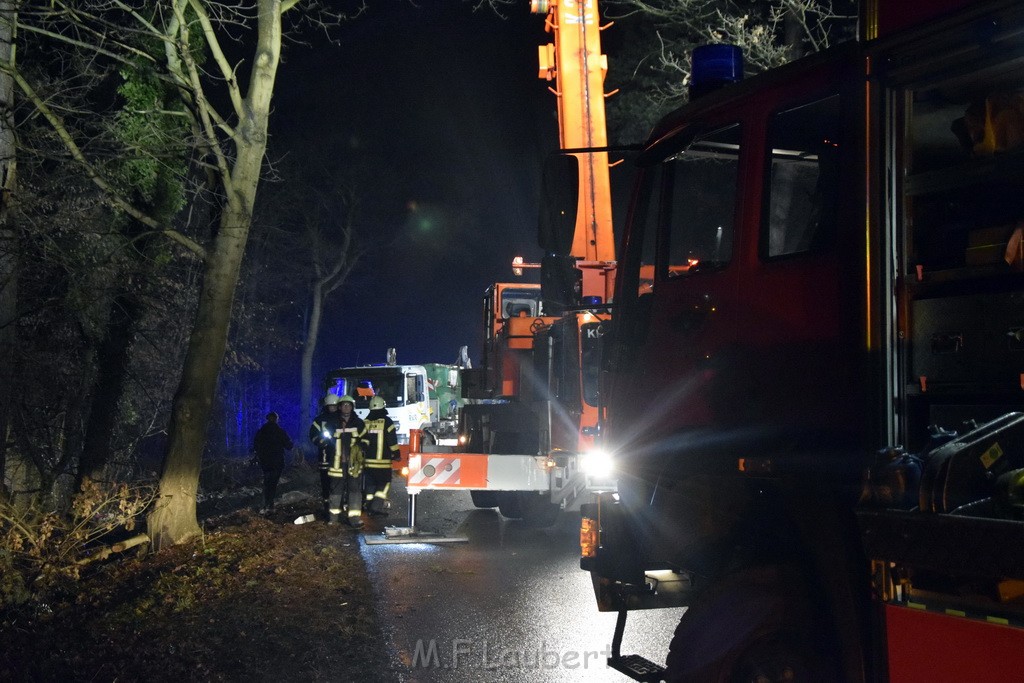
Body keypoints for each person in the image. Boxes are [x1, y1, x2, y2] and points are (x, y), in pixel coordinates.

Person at [328, 395, 367, 527]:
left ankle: (354, 519)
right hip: (336, 464)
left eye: (348, 405)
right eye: (344, 405)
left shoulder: (359, 423)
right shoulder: (332, 423)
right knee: (336, 491)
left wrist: (360, 448)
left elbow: (366, 440)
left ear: (352, 407)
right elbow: (326, 441)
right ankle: (334, 518)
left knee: (355, 490)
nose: (346, 407)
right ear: (339, 407)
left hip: (353, 464)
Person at [361, 395, 401, 516]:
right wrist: (396, 454)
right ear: (383, 406)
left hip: (367, 463)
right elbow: (392, 441)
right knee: (384, 484)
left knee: (370, 485)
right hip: (382, 463)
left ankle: (367, 505)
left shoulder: (365, 422)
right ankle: (376, 507)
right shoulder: (387, 422)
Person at [251, 411, 294, 514]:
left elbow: (256, 445)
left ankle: (266, 503)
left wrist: (259, 455)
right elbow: (289, 446)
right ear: (276, 419)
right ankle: (270, 503)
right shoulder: (280, 431)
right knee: (273, 482)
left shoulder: (261, 431)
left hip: (265, 461)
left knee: (267, 481)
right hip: (277, 461)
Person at [309, 393, 342, 519]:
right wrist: (320, 441)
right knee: (326, 482)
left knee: (339, 481)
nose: (333, 408)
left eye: (335, 406)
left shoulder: (342, 418)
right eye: (330, 406)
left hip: (339, 456)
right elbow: (312, 434)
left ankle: (339, 504)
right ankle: (327, 504)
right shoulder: (320, 420)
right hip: (325, 456)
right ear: (326, 406)